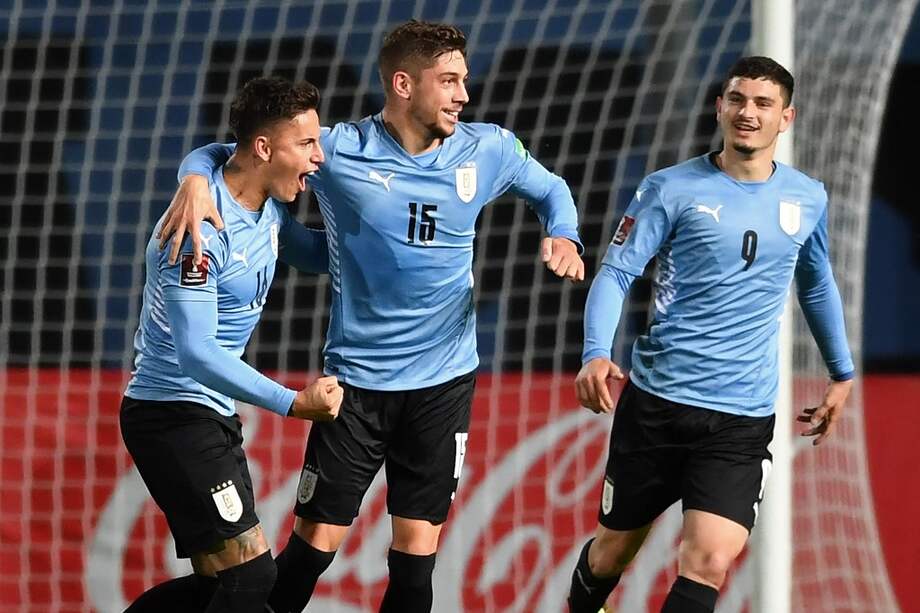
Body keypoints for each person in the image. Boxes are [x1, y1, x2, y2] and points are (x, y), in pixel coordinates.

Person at [158, 19, 585, 613]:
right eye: (450, 80)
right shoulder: (337, 150)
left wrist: (564, 235)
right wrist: (194, 178)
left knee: (415, 562)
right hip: (354, 386)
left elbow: (552, 189)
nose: (464, 94)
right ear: (403, 84)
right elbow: (244, 150)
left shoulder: (487, 148)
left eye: (465, 79)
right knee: (310, 553)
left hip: (443, 383)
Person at [567, 56, 855, 613]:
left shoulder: (807, 198)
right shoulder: (671, 188)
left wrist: (840, 372)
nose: (748, 113)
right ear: (719, 106)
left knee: (708, 561)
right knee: (613, 552)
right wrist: (596, 353)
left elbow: (816, 286)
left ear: (786, 118)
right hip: (657, 405)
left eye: (763, 103)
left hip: (740, 417)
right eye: (738, 99)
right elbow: (618, 271)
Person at [120, 76, 344, 613]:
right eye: (307, 144)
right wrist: (293, 403)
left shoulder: (263, 205)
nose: (320, 156)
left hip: (208, 415)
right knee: (252, 577)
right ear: (264, 148)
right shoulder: (198, 230)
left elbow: (314, 255)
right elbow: (197, 355)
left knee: (222, 586)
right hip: (171, 414)